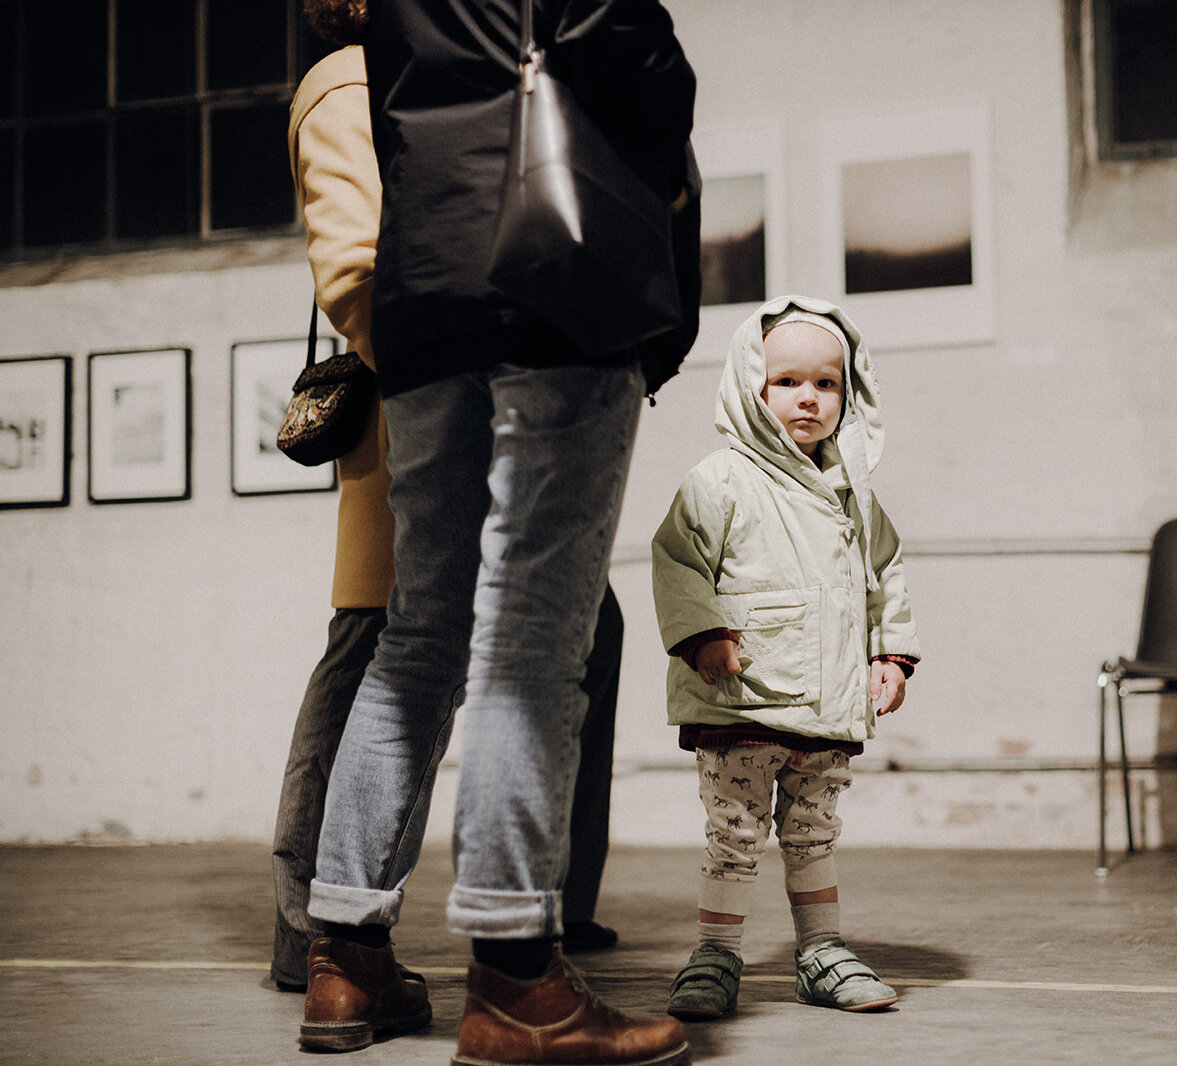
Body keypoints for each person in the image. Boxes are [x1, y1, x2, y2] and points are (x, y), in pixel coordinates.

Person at [299, 1, 700, 1063]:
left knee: (419, 634)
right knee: (534, 635)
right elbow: (629, 48)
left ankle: (345, 958)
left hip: (424, 295)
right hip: (552, 266)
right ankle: (517, 977)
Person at [651, 295, 921, 1021]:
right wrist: (703, 632)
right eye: (788, 381)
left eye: (827, 383)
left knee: (813, 833)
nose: (809, 397)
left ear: (849, 394)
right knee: (735, 833)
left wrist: (889, 652)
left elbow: (884, 572)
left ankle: (822, 951)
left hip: (827, 702)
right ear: (752, 387)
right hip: (741, 700)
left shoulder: (853, 497)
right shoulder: (720, 480)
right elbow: (678, 561)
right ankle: (715, 952)